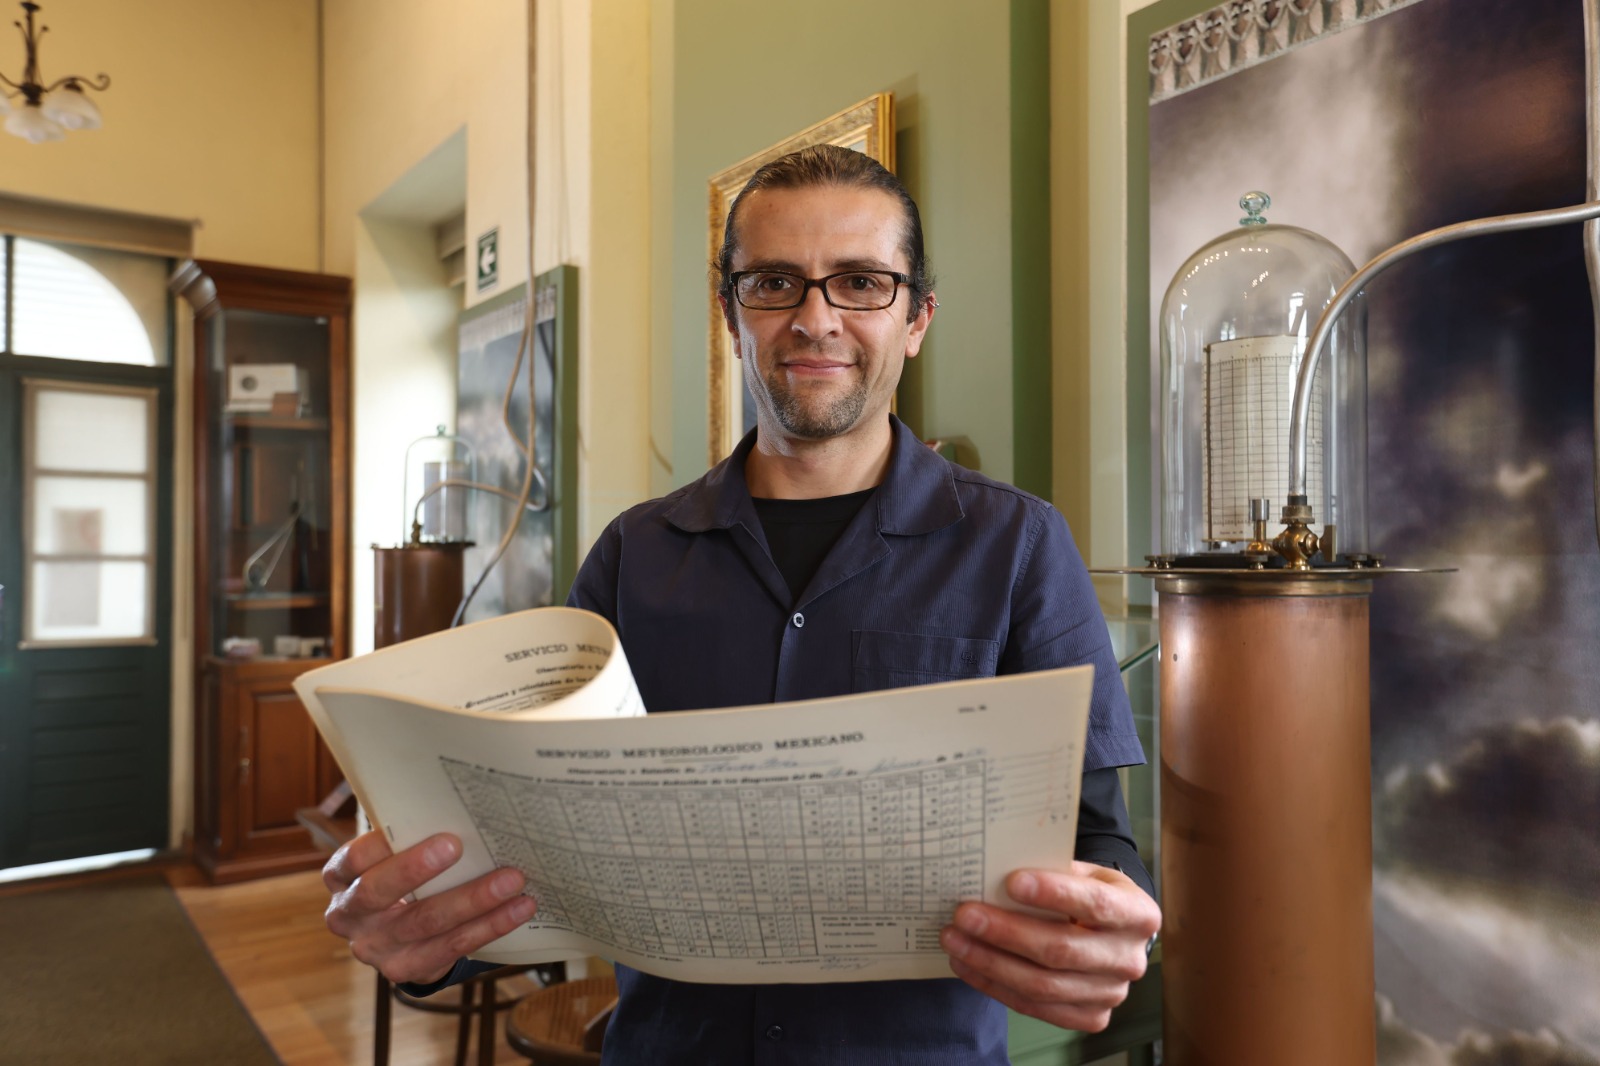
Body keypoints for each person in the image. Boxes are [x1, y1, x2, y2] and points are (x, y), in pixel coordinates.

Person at [323, 144, 1162, 1064]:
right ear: (730, 315)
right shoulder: (632, 557)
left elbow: (1097, 839)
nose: (815, 318)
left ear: (917, 318)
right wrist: (424, 937)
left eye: (861, 283)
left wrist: (1107, 924)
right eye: (773, 283)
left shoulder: (1019, 545)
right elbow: (539, 849)